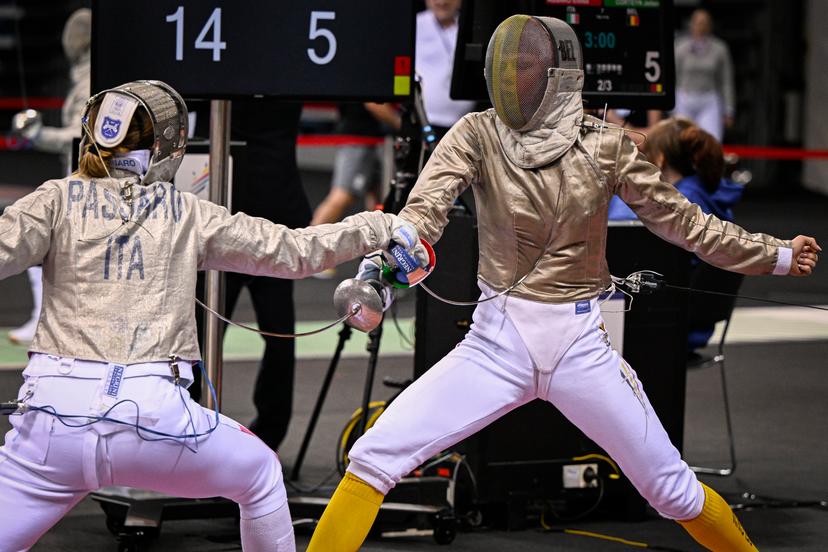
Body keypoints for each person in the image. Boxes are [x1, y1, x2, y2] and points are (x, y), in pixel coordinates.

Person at [307, 16, 820, 552]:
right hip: (495, 345)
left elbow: (685, 224)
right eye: (505, 66)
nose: (512, 80)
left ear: (559, 74)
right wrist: (383, 267)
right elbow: (423, 214)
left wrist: (777, 255)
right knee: (373, 458)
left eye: (525, 66)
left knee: (674, 492)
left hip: (580, 349)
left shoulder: (607, 146)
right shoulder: (477, 133)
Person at [0, 80, 424, 551]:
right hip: (152, 422)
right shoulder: (187, 212)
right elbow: (295, 252)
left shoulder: (54, 199)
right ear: (165, 145)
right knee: (261, 473)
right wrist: (379, 225)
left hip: (49, 425)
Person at [8, 8, 91, 345]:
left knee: (46, 242)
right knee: (50, 246)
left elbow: (80, 137)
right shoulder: (82, 74)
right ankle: (45, 321)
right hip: (77, 179)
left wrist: (39, 134)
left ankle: (47, 324)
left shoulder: (89, 78)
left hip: (85, 184)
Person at [415, 0, 476, 139]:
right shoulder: (415, 25)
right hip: (425, 124)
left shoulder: (470, 26)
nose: (442, 2)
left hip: (464, 126)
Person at [673, 9, 735, 141]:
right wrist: (672, 106)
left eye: (704, 23)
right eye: (697, 22)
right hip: (685, 99)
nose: (701, 26)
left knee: (712, 141)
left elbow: (726, 80)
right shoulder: (680, 47)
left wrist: (729, 110)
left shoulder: (720, 49)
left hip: (709, 100)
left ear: (710, 25)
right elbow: (674, 77)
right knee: (682, 140)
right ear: (691, 24)